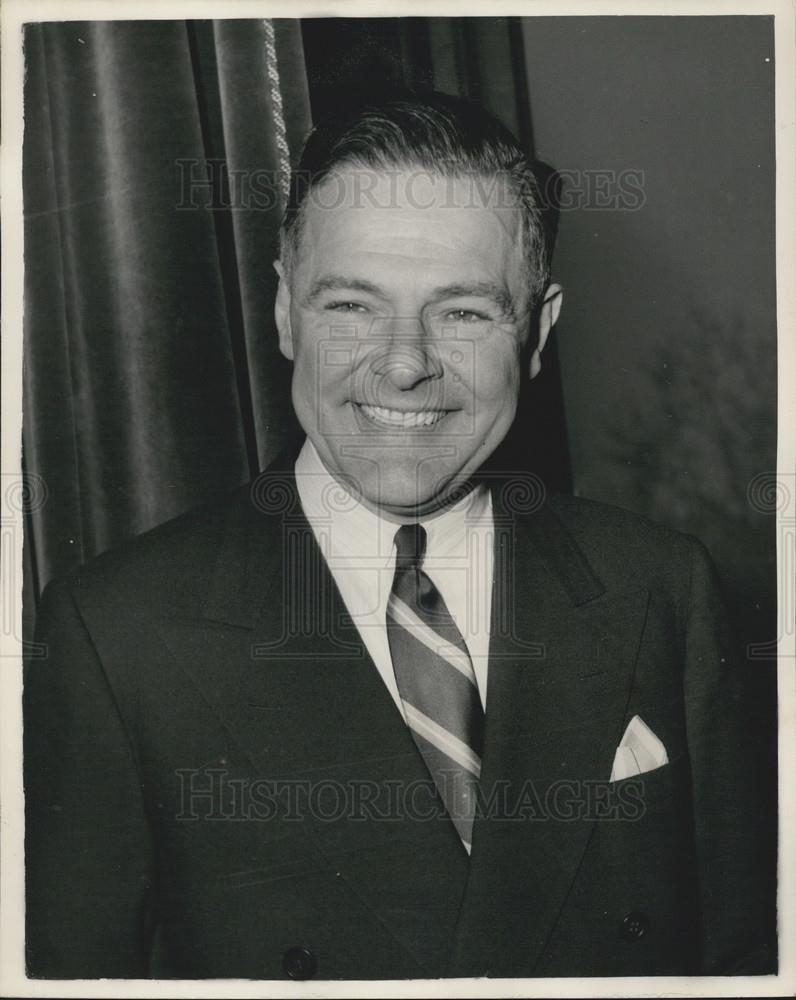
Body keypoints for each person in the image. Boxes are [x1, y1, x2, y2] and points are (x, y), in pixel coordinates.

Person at [24, 91, 775, 980]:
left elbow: (745, 960)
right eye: (350, 306)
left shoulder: (660, 587)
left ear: (537, 333)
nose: (406, 362)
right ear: (283, 313)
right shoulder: (118, 631)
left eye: (462, 312)